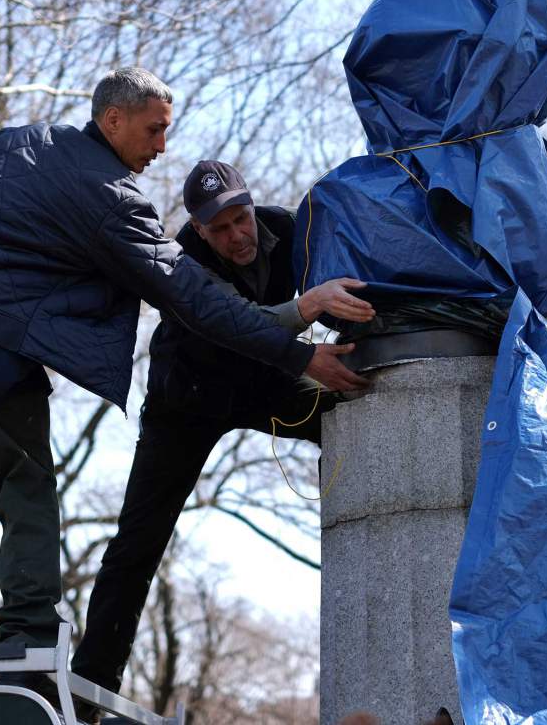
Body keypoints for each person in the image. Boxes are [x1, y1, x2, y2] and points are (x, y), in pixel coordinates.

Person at [0, 69, 367, 655]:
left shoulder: (17, 140)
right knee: (26, 482)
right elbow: (196, 300)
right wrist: (299, 354)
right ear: (113, 119)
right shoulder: (111, 198)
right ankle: (29, 641)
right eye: (154, 129)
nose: (163, 144)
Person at [70, 160, 376, 694]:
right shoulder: (178, 261)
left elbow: (345, 295)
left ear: (251, 205)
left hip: (269, 380)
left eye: (241, 219)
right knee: (138, 542)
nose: (237, 236)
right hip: (188, 397)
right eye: (220, 229)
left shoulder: (288, 229)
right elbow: (236, 323)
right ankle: (91, 685)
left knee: (356, 418)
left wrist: (350, 338)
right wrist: (306, 328)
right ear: (200, 229)